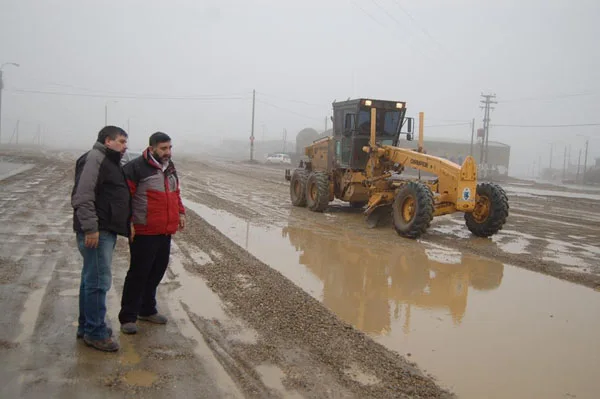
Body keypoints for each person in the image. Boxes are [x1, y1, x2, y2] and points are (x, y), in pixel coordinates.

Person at [118, 132, 185, 334]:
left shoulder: (170, 168)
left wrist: (180, 212)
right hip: (144, 230)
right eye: (164, 148)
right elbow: (124, 198)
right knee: (139, 273)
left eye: (170, 148)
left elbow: (176, 193)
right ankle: (128, 317)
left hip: (164, 230)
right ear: (153, 147)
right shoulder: (136, 168)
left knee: (158, 270)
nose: (168, 152)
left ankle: (147, 309)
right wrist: (128, 222)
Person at [71, 126, 130, 352]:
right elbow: (83, 195)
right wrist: (91, 228)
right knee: (98, 281)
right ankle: (96, 333)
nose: (125, 146)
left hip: (105, 229)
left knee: (91, 279)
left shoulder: (109, 160)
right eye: (122, 142)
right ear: (108, 141)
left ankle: (87, 326)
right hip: (97, 230)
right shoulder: (95, 158)